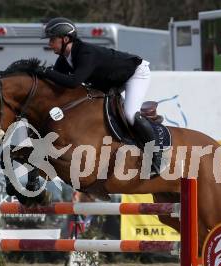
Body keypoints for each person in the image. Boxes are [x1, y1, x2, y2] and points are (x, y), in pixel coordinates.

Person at [40, 17, 162, 173]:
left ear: (65, 39)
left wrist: (46, 71)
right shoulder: (64, 59)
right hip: (112, 81)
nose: (49, 44)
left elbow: (73, 82)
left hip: (135, 73)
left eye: (52, 39)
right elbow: (56, 82)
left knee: (130, 115)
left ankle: (156, 154)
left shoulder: (85, 52)